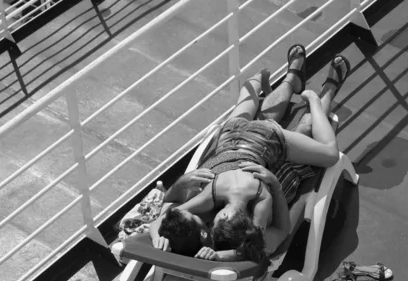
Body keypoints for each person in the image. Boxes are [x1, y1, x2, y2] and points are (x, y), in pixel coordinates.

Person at [150, 44, 351, 266]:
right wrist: (157, 233)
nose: (207, 218)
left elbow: (264, 240)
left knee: (328, 152)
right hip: (232, 137)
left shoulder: (235, 211)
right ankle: (275, 80)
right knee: (250, 108)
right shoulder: (212, 200)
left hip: (262, 143)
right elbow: (162, 218)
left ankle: (315, 97)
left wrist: (220, 254)